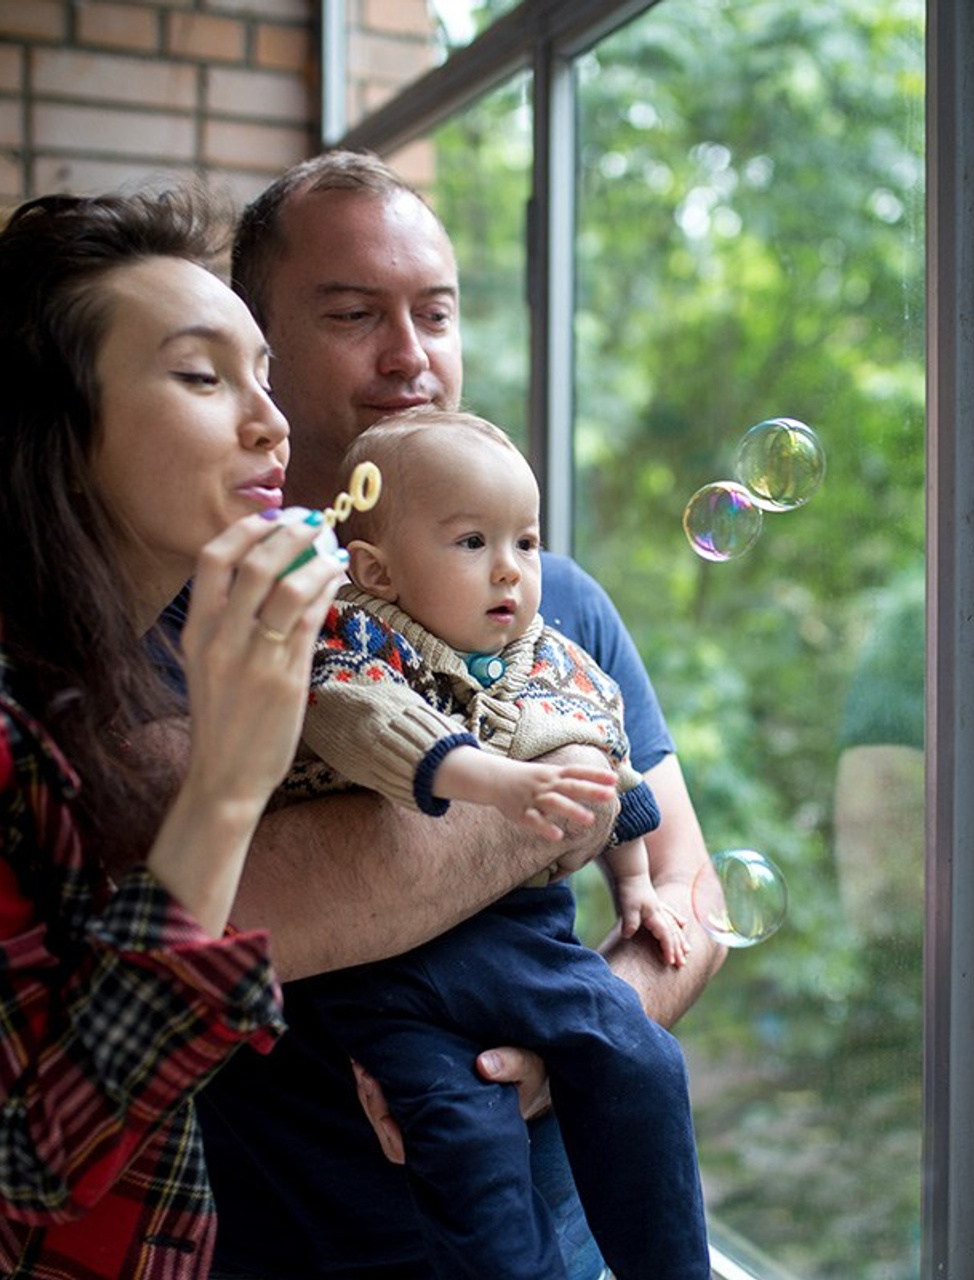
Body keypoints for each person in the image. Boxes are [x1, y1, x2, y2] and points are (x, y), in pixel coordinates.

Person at [195, 149, 726, 1280]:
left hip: (569, 1241)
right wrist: (546, 798)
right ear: (257, 344)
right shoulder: (200, 599)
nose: (410, 355)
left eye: (434, 312)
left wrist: (554, 1049)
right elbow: (223, 917)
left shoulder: (551, 593)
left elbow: (688, 889)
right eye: (353, 314)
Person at [0, 189, 346, 1277]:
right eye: (202, 375)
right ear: (51, 433)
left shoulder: (95, 687)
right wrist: (227, 786)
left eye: (265, 377)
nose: (271, 424)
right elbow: (21, 1175)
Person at [284, 408, 708, 1278]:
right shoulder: (349, 634)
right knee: (463, 1140)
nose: (512, 568)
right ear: (378, 569)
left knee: (639, 1058)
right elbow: (366, 722)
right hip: (386, 973)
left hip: (523, 940)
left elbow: (609, 771)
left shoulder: (551, 654)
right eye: (473, 542)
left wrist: (634, 888)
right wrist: (497, 781)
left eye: (526, 540)